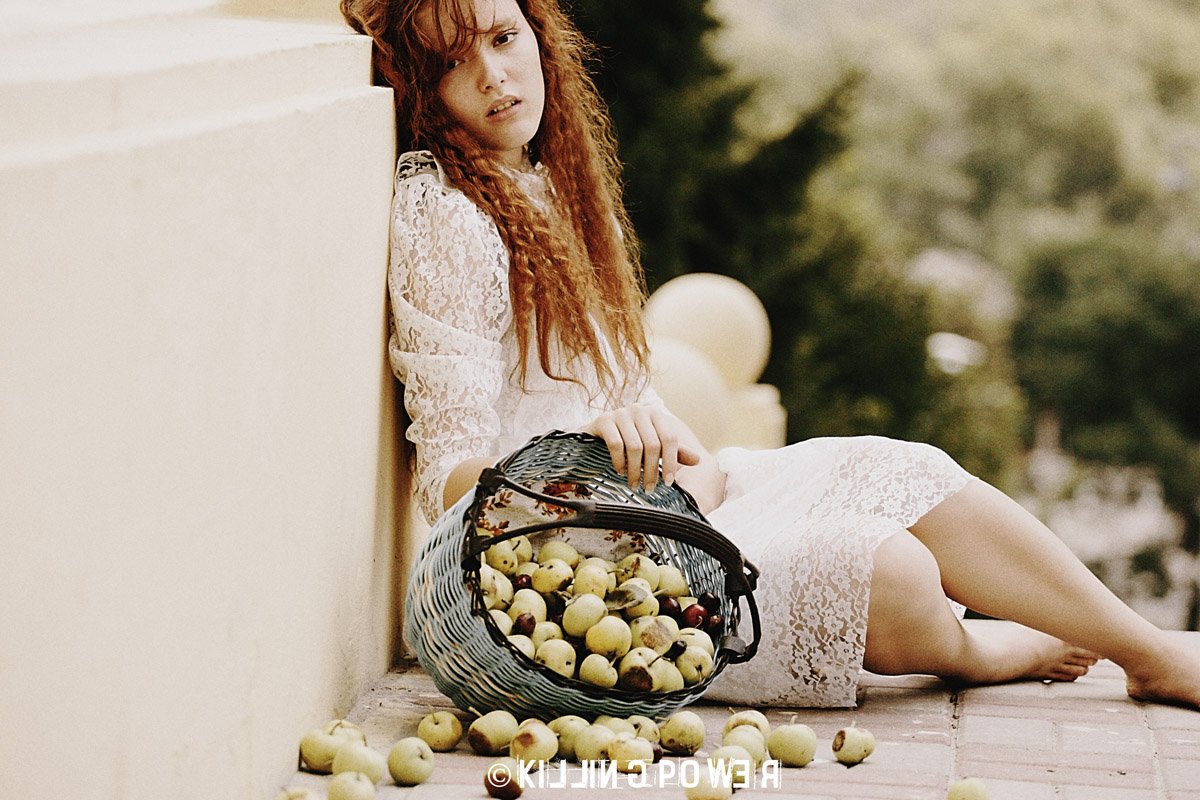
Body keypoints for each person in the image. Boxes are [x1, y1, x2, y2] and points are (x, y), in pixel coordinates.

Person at [341, 0, 1199, 709]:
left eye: (503, 37)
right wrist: (577, 463)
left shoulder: (549, 185)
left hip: (680, 504)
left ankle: (1149, 651)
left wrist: (681, 456)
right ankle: (982, 652)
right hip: (581, 580)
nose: (494, 75)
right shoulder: (445, 215)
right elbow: (447, 474)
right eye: (453, 60)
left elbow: (628, 394)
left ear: (538, 35)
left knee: (910, 473)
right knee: (892, 570)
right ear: (422, 87)